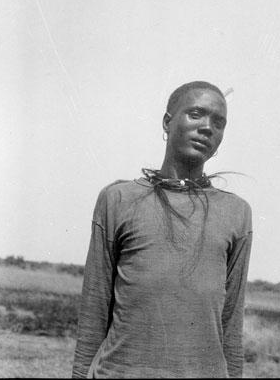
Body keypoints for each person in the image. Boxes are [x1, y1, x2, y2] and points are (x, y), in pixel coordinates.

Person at [72, 81, 253, 379]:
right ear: (168, 122)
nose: (207, 127)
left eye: (218, 122)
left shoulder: (235, 212)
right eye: (196, 114)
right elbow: (94, 310)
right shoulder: (119, 199)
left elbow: (231, 323)